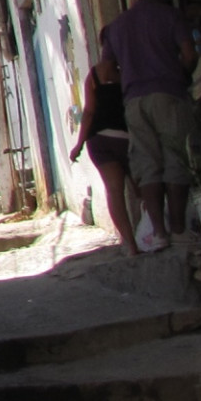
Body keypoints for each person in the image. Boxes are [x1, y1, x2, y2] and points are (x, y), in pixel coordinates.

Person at [98, 0, 198, 253]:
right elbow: (189, 55)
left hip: (134, 101)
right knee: (175, 159)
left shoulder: (117, 26)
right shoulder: (170, 15)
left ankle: (159, 232)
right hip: (168, 94)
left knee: (147, 164)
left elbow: (106, 71)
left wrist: (130, 79)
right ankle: (178, 230)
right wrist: (181, 75)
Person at [70, 61, 136, 255]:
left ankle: (131, 244)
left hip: (100, 139)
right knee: (142, 188)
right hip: (128, 137)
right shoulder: (130, 67)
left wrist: (79, 144)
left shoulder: (94, 75)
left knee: (114, 192)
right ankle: (153, 233)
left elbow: (89, 112)